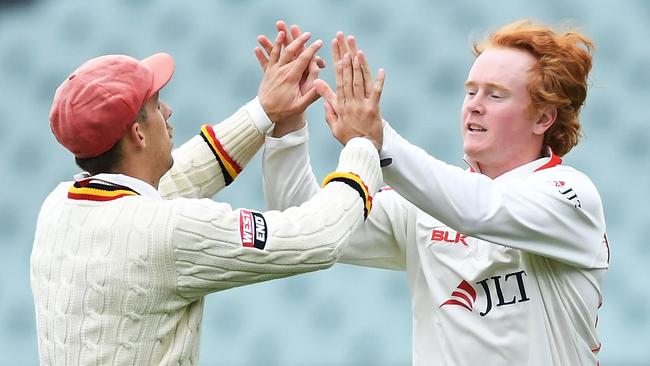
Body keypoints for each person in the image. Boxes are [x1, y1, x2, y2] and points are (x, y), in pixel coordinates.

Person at [30, 27, 386, 364]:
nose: (167, 110)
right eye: (156, 105)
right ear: (138, 134)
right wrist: (362, 146)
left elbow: (179, 178)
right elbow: (316, 239)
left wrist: (265, 111)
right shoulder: (169, 232)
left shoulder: (58, 207)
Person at [261, 20, 610, 365]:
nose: (474, 104)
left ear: (543, 119)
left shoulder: (569, 196)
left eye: (496, 94)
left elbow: (480, 211)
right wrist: (286, 126)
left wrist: (377, 139)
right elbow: (305, 222)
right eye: (471, 90)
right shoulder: (427, 206)